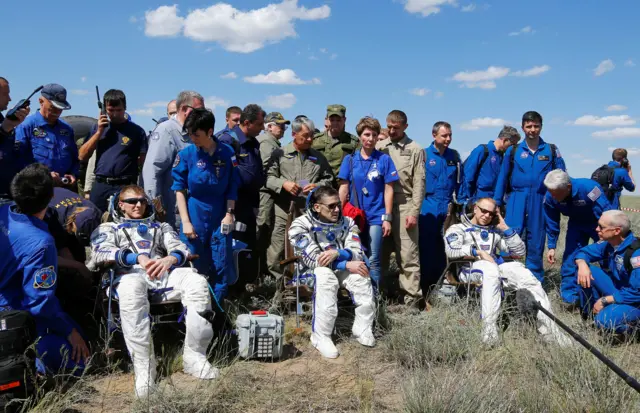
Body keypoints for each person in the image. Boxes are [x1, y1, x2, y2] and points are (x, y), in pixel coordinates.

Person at [87, 185, 218, 398]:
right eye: (132, 201)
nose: (138, 204)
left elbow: (181, 247)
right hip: (127, 277)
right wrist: (136, 258)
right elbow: (100, 252)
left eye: (142, 200)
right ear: (120, 204)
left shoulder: (159, 227)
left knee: (197, 283)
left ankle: (195, 357)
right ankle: (145, 370)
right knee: (132, 287)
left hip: (161, 273)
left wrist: (170, 258)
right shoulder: (109, 228)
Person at [444, 197, 572, 346]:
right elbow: (451, 250)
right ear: (475, 209)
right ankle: (489, 333)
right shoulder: (458, 229)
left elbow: (519, 251)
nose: (487, 216)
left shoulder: (493, 232)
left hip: (492, 268)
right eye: (484, 211)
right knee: (489, 270)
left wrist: (505, 227)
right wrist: (478, 252)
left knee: (523, 273)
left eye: (491, 214)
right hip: (469, 269)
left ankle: (551, 333)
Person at [0, 164, 89, 374]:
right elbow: (39, 302)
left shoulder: (4, 213)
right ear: (50, 197)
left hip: (11, 301)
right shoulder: (41, 242)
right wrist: (70, 332)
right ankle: (34, 367)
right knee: (81, 360)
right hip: (13, 314)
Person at [288, 186, 375, 358]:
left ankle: (363, 328)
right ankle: (321, 336)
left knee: (361, 275)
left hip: (341, 265)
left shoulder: (348, 223)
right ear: (317, 207)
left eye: (338, 205)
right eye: (331, 206)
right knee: (326, 277)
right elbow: (314, 259)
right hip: (310, 272)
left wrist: (339, 253)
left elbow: (357, 250)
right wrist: (345, 265)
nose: (336, 210)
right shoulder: (300, 226)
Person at [172, 108, 239, 301]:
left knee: (221, 264)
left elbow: (233, 186)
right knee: (194, 265)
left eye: (196, 134)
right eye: (189, 133)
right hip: (195, 214)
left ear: (210, 131)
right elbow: (179, 189)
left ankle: (217, 313)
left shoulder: (227, 153)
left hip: (220, 214)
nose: (192, 137)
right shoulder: (186, 155)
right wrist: (185, 221)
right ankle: (194, 312)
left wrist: (229, 213)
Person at [493, 111, 566, 283]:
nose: (532, 130)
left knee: (536, 243)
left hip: (541, 201)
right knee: (510, 240)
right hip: (516, 199)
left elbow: (561, 176)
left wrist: (559, 201)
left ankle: (534, 286)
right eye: (529, 126)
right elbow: (502, 178)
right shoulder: (513, 151)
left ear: (541, 126)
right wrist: (496, 202)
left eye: (536, 126)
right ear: (523, 127)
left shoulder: (551, 150)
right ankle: (507, 284)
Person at [265, 116, 334, 282]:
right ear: (294, 134)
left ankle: (306, 283)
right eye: (305, 136)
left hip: (308, 212)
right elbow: (268, 177)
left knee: (307, 247)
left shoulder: (318, 157)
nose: (310, 139)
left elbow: (329, 178)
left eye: (311, 135)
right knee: (279, 248)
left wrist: (317, 186)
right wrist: (284, 183)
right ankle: (280, 286)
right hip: (284, 209)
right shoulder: (280, 153)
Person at [338, 116, 398, 290]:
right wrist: (338, 215)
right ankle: (357, 296)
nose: (370, 139)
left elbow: (389, 189)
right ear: (360, 136)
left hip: (376, 216)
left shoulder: (384, 160)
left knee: (373, 258)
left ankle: (375, 299)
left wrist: (387, 217)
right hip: (354, 217)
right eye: (366, 134)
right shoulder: (349, 160)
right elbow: (343, 188)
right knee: (355, 256)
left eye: (374, 135)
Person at [543, 170, 613, 306]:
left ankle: (609, 293)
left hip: (598, 223)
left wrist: (606, 234)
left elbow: (605, 212)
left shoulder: (589, 188)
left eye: (556, 193)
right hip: (576, 224)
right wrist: (551, 246)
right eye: (550, 192)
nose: (553, 196)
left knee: (607, 256)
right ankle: (570, 297)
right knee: (570, 259)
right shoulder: (551, 195)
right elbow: (552, 221)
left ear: (568, 187)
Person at [376, 110, 425, 305]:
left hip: (405, 204)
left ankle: (411, 298)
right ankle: (379, 294)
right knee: (380, 253)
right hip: (382, 206)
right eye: (389, 127)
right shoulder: (380, 147)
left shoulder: (415, 149)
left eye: (396, 128)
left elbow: (419, 183)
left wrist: (414, 212)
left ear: (405, 127)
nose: (392, 130)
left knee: (408, 255)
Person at [218, 104, 265, 287]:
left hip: (250, 204)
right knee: (233, 246)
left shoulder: (253, 142)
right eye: (259, 124)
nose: (262, 128)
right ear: (247, 122)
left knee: (246, 246)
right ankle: (230, 288)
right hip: (233, 204)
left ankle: (243, 286)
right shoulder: (228, 141)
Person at [142, 91, 205, 227]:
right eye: (199, 111)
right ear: (183, 109)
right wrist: (156, 206)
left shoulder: (196, 132)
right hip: (173, 211)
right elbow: (152, 171)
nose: (202, 115)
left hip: (194, 209)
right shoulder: (167, 131)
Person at [78, 89, 147, 212]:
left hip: (124, 186)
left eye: (119, 110)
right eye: (111, 110)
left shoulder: (137, 131)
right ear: (104, 110)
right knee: (95, 221)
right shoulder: (97, 129)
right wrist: (99, 132)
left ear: (125, 107)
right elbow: (82, 156)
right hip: (101, 185)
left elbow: (143, 162)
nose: (115, 114)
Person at [574, 210, 640, 335]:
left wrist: (605, 300)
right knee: (584, 270)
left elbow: (637, 292)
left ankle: (634, 328)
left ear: (616, 231)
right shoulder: (609, 244)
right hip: (619, 289)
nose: (597, 229)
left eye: (601, 227)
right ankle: (588, 315)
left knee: (604, 321)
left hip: (634, 300)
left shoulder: (636, 254)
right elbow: (584, 252)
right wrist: (582, 264)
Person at [420, 121, 463, 292]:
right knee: (427, 247)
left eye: (450, 135)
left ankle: (441, 284)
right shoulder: (424, 155)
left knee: (446, 247)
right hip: (428, 205)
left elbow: (460, 181)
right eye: (444, 135)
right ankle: (424, 287)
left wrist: (460, 202)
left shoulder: (454, 156)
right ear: (434, 135)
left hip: (448, 206)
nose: (448, 139)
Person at [15, 84, 78, 189]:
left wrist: (73, 174)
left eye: (60, 108)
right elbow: (17, 161)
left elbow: (75, 158)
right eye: (53, 108)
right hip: (37, 189)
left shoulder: (66, 130)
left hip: (63, 189)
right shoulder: (26, 126)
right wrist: (43, 175)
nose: (57, 112)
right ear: (41, 101)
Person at [257, 112, 291, 277]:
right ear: (268, 126)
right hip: (266, 192)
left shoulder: (274, 143)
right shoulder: (266, 142)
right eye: (279, 125)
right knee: (263, 226)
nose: (283, 128)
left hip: (271, 191)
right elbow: (264, 170)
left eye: (284, 125)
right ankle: (260, 270)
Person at [458, 125, 521, 204]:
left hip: (493, 202)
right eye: (512, 144)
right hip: (478, 201)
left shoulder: (503, 157)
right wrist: (464, 202)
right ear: (505, 140)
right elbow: (467, 177)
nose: (512, 149)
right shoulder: (482, 151)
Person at [0, 77, 33, 201]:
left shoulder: (3, 120)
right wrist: (4, 128)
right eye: (5, 94)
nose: (9, 99)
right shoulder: (4, 124)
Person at [313, 104, 359, 176]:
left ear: (344, 120)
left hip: (343, 184)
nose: (335, 123)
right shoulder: (315, 140)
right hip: (320, 184)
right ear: (327, 120)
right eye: (332, 120)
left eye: (338, 120)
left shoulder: (354, 142)